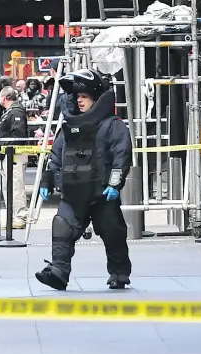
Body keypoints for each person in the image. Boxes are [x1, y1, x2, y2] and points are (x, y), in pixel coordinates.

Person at [35, 69, 133, 291]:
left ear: (96, 98)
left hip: (101, 193)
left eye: (84, 97)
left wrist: (115, 184)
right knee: (62, 227)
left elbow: (122, 154)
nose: (79, 101)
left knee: (113, 232)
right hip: (72, 192)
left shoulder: (112, 125)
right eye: (77, 97)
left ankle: (119, 273)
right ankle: (58, 272)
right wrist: (47, 180)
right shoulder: (68, 128)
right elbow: (56, 157)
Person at [0, 86, 29, 229]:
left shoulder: (16, 112)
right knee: (8, 186)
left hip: (14, 154)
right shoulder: (10, 112)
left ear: (4, 98)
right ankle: (12, 216)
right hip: (8, 154)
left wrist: (4, 144)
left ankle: (20, 216)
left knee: (15, 186)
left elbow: (18, 134)